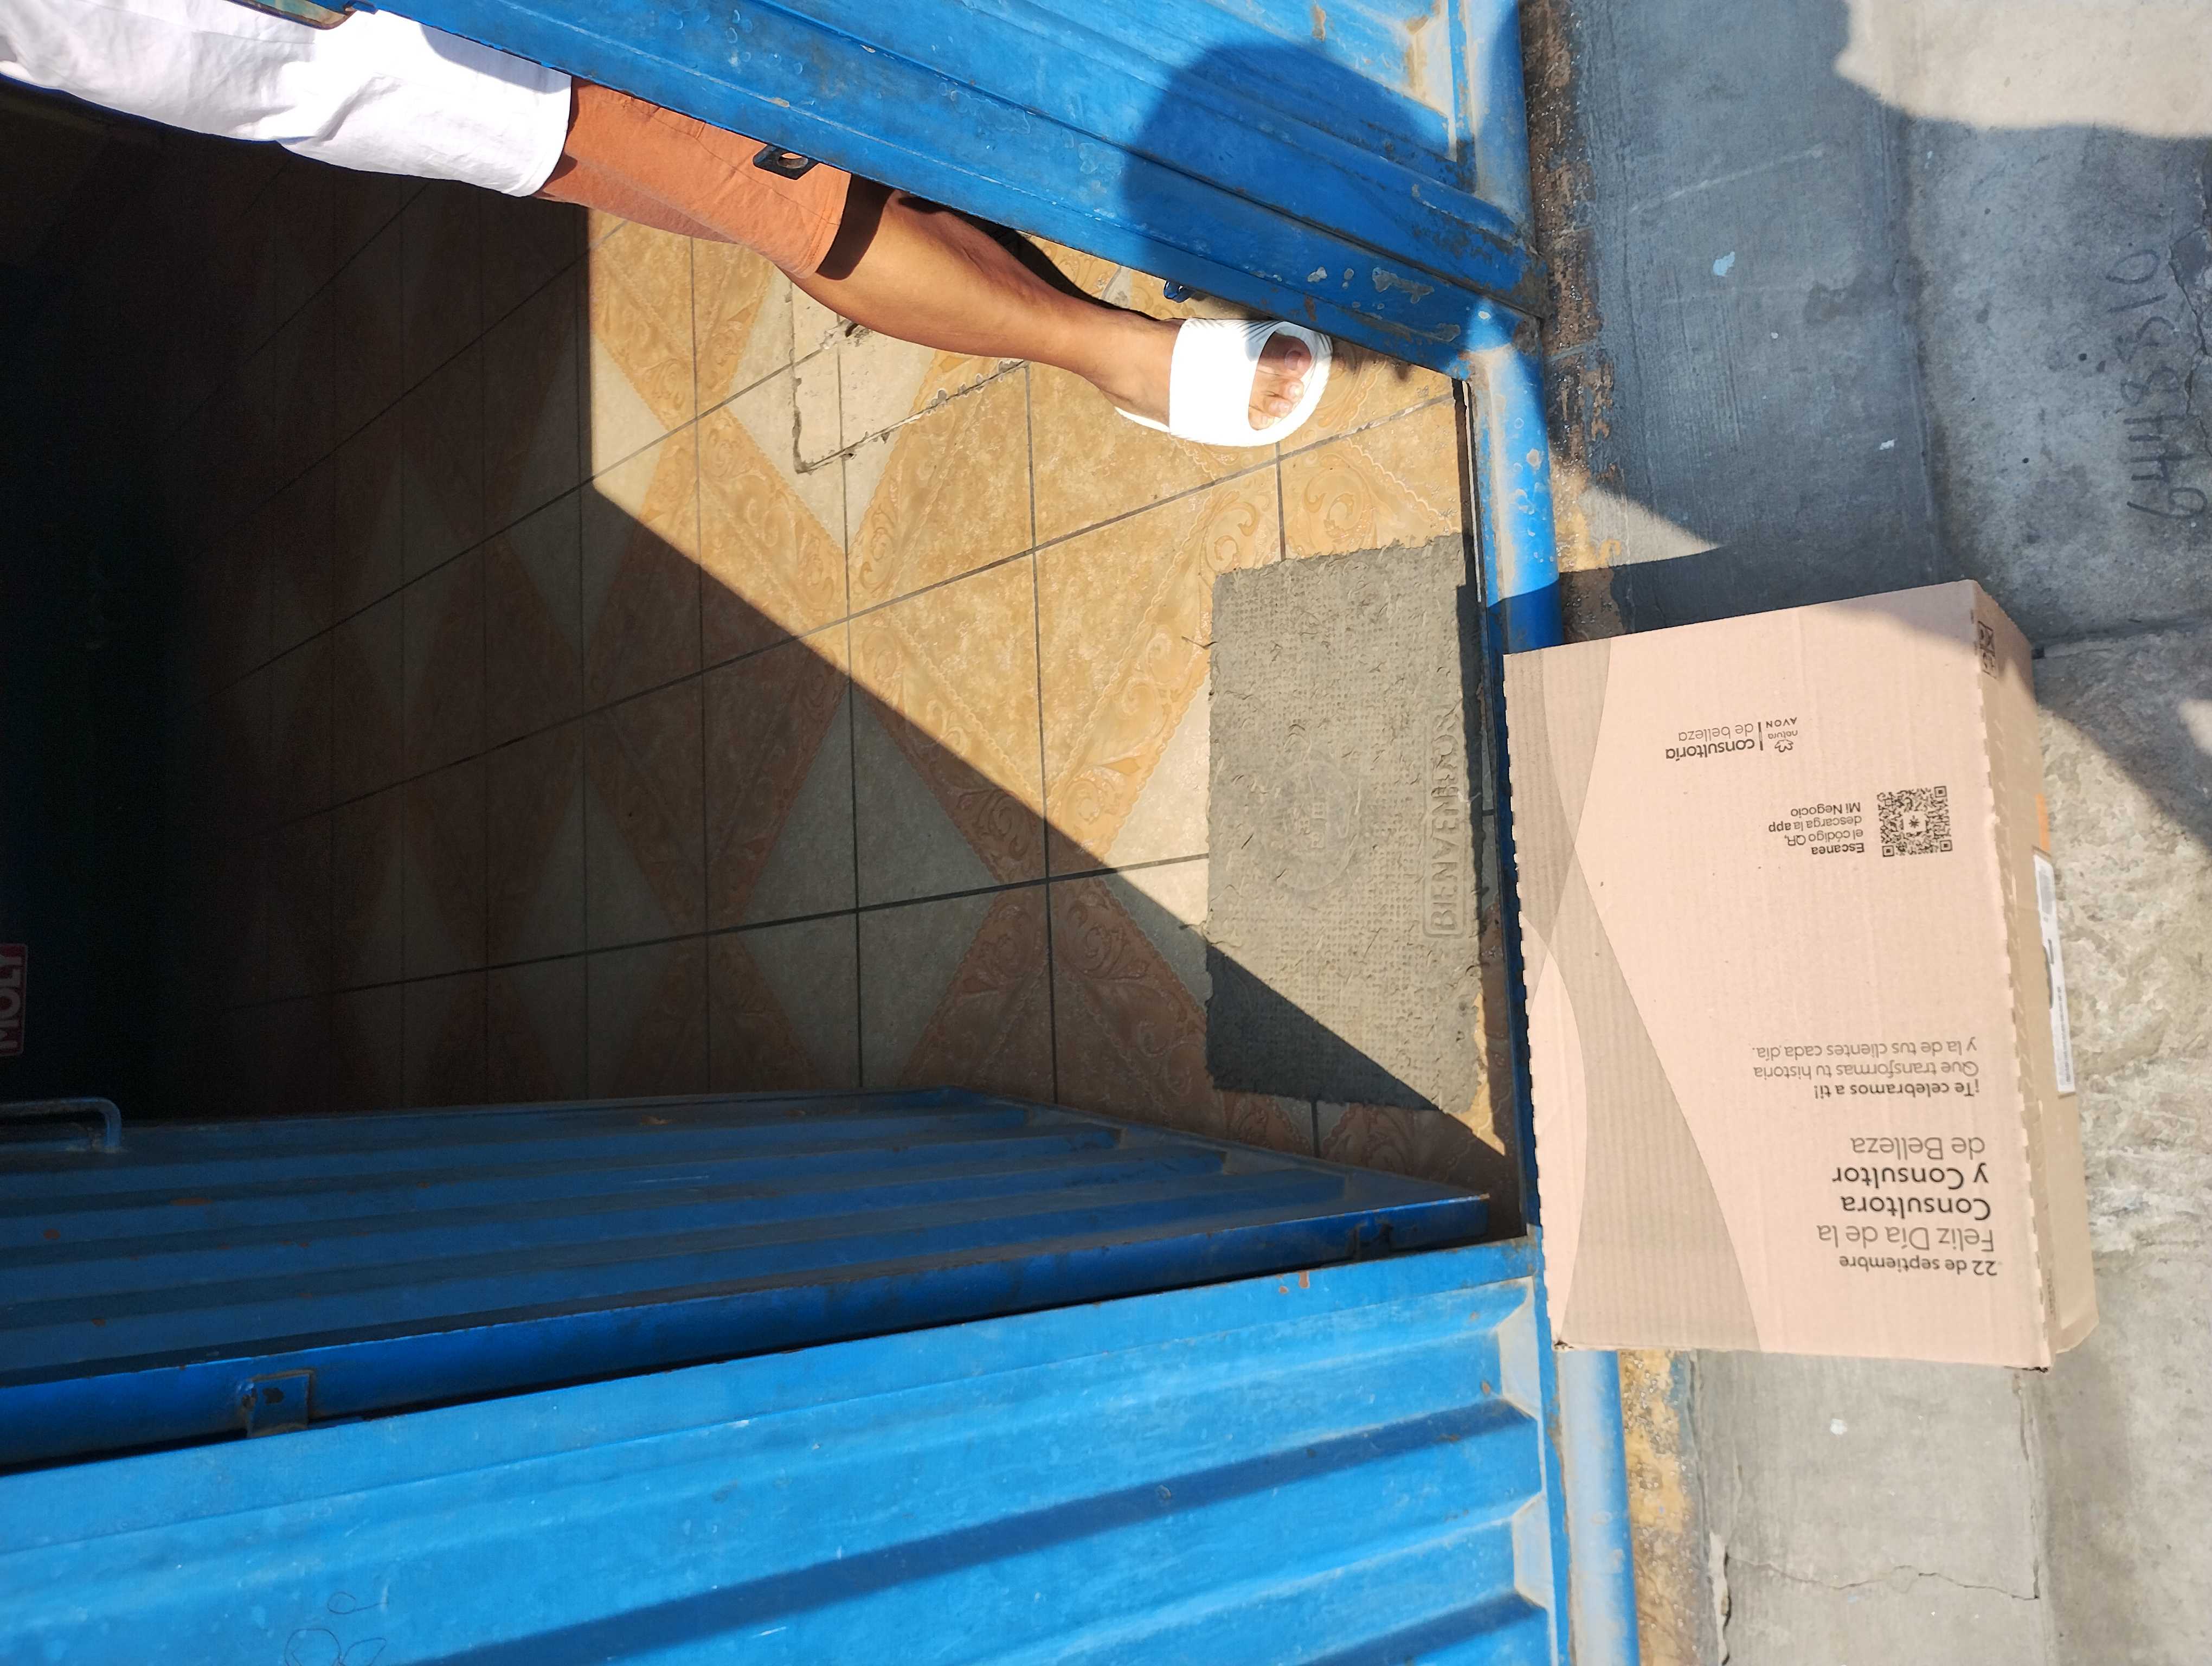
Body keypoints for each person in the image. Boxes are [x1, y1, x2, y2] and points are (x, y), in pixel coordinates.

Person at [0, 0, 1328, 443]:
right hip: (398, 47)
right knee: (774, 182)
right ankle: (1112, 353)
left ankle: (1085, 203)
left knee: (789, 139)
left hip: (375, 64)